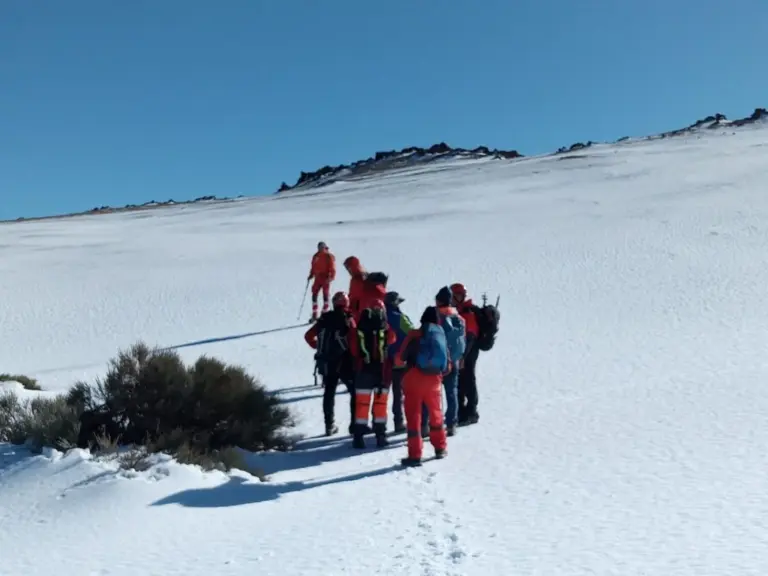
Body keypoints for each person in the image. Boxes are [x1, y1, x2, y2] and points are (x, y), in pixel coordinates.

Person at [396, 306, 450, 466]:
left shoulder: (414, 334)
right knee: (436, 414)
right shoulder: (440, 335)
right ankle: (440, 448)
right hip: (434, 380)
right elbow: (447, 366)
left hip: (414, 378)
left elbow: (400, 358)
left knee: (414, 417)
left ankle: (415, 455)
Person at [304, 291, 356, 436]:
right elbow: (353, 340)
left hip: (326, 361)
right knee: (354, 392)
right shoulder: (348, 319)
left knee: (329, 392)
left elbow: (308, 336)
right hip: (344, 361)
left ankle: (329, 425)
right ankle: (354, 425)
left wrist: (319, 347)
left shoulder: (324, 319)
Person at [349, 298, 396, 448]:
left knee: (361, 405)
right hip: (382, 372)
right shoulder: (385, 328)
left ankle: (358, 438)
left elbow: (354, 349)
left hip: (363, 370)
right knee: (380, 405)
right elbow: (393, 339)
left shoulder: (360, 328)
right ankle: (380, 436)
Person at [421, 286, 466, 436]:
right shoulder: (459, 318)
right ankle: (451, 424)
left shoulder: (436, 316)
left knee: (429, 393)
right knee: (451, 392)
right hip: (454, 360)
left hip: (436, 360)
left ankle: (426, 424)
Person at [384, 291, 414, 433]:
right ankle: (404, 421)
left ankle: (393, 422)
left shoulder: (381, 316)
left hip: (384, 360)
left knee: (389, 393)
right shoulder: (399, 317)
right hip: (401, 359)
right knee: (405, 392)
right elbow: (411, 332)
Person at [450, 283, 481, 425]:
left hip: (469, 351)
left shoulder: (467, 312)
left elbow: (471, 335)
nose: (452, 299)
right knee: (461, 380)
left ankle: (471, 412)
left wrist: (463, 356)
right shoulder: (459, 311)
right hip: (463, 351)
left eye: (455, 296)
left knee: (468, 379)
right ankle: (462, 412)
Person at [343, 256, 388, 320]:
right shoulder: (364, 278)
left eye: (349, 268)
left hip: (359, 311)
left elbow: (355, 296)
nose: (349, 271)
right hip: (364, 310)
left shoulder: (358, 279)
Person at [308, 242, 336, 322]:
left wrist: (331, 277)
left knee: (325, 295)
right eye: (319, 247)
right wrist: (311, 274)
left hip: (325, 278)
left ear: (324, 247)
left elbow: (333, 268)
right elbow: (313, 266)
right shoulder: (316, 256)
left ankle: (324, 313)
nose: (320, 248)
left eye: (322, 247)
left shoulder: (328, 256)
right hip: (318, 278)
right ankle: (315, 313)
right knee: (314, 294)